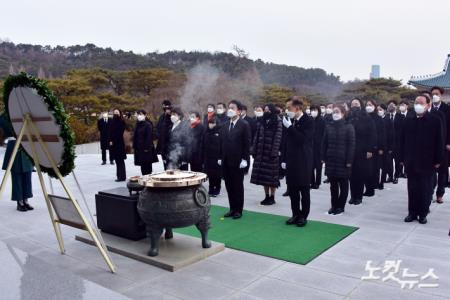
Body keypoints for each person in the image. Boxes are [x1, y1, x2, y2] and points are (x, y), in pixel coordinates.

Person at [400, 94, 444, 224]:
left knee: (425, 189)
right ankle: (412, 212)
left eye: (421, 103)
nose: (418, 105)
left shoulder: (435, 121)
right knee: (412, 188)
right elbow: (402, 140)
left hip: (427, 161)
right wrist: (402, 158)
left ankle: (423, 213)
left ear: (428, 105)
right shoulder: (408, 120)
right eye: (416, 102)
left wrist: (438, 160)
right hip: (411, 161)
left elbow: (439, 142)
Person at [281, 99, 314, 227]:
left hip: (303, 160)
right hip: (291, 159)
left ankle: (303, 216)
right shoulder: (291, 120)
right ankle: (295, 214)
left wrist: (290, 128)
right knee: (293, 189)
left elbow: (303, 139)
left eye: (289, 108)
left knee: (304, 189)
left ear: (298, 108)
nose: (287, 110)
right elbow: (285, 141)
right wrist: (283, 158)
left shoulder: (308, 120)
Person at [218, 100, 251, 219]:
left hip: (238, 161)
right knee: (229, 186)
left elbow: (246, 144)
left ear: (239, 111)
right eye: (229, 107)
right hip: (226, 160)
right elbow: (222, 142)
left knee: (237, 186)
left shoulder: (244, 124)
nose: (230, 110)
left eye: (233, 108)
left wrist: (245, 159)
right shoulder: (225, 124)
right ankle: (232, 208)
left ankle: (238, 210)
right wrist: (220, 157)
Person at [322, 104, 355, 215]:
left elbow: (351, 145)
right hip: (331, 159)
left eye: (337, 112)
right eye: (334, 112)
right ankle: (334, 205)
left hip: (343, 160)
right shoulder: (329, 126)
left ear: (343, 113)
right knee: (333, 186)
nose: (335, 114)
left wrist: (349, 161)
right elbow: (324, 143)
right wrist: (323, 157)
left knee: (344, 185)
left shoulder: (348, 127)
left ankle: (341, 206)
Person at [250, 104, 283, 205]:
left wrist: (274, 152)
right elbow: (257, 136)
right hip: (261, 153)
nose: (266, 111)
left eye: (268, 110)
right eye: (265, 110)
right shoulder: (262, 121)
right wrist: (254, 150)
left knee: (272, 178)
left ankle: (272, 197)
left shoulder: (277, 121)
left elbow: (278, 137)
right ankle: (266, 196)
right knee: (264, 177)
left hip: (271, 154)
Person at [0, 115, 34, 212]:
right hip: (13, 146)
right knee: (17, 177)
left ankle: (26, 200)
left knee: (27, 176)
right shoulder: (3, 117)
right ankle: (20, 202)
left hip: (26, 145)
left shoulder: (24, 112)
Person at [347, 98, 377, 205]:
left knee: (359, 174)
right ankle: (353, 195)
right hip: (350, 150)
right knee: (351, 174)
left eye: (357, 103)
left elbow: (372, 134)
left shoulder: (367, 118)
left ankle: (358, 196)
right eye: (353, 104)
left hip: (362, 149)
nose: (354, 105)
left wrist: (370, 149)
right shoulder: (348, 117)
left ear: (361, 105)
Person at [430, 86, 450, 204]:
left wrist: (448, 143)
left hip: (444, 146)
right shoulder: (428, 108)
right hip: (431, 146)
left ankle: (440, 194)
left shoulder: (447, 109)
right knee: (430, 170)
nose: (434, 96)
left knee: (443, 171)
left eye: (436, 94)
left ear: (441, 95)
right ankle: (430, 191)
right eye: (432, 94)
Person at [364, 99, 385, 197]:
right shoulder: (364, 116)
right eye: (367, 104)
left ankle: (372, 187)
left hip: (375, 147)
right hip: (365, 146)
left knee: (374, 168)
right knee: (367, 169)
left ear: (374, 106)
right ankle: (369, 186)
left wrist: (380, 147)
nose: (368, 106)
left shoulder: (378, 118)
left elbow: (381, 134)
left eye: (370, 104)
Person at [133, 110, 156, 176]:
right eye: (138, 114)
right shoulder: (138, 124)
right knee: (142, 164)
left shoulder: (148, 124)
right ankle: (144, 177)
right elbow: (136, 136)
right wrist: (135, 146)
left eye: (141, 114)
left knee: (147, 165)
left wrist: (146, 147)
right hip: (139, 148)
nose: (139, 116)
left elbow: (149, 137)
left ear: (145, 115)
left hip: (146, 148)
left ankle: (148, 177)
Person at [203, 116, 222, 197]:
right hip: (208, 157)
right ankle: (211, 189)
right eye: (210, 123)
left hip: (217, 157)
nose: (211, 125)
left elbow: (222, 146)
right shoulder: (206, 132)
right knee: (210, 174)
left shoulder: (219, 132)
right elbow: (203, 145)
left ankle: (217, 189)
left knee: (217, 175)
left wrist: (220, 157)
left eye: (213, 123)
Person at [108, 108, 127, 181]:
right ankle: (119, 176)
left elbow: (119, 133)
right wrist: (110, 140)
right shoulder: (112, 121)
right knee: (117, 161)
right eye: (114, 112)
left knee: (120, 160)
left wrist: (113, 140)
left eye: (117, 112)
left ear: (120, 113)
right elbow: (110, 132)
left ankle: (122, 176)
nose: (116, 114)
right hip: (113, 144)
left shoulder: (122, 122)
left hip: (119, 143)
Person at [310, 105, 325, 189]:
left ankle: (317, 182)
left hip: (319, 146)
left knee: (318, 166)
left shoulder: (322, 120)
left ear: (318, 111)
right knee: (310, 166)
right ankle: (311, 181)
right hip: (310, 146)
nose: (313, 111)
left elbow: (324, 134)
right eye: (312, 110)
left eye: (315, 110)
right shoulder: (310, 120)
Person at [379, 103, 394, 189]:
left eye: (381, 109)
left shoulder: (388, 120)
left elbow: (391, 135)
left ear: (384, 110)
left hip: (386, 146)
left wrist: (390, 147)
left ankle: (382, 181)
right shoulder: (376, 119)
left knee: (385, 165)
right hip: (377, 146)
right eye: (378, 109)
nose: (379, 111)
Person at [156, 100, 173, 170]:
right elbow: (158, 127)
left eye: (166, 106)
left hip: (169, 144)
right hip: (162, 143)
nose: (165, 108)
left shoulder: (172, 117)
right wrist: (158, 135)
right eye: (163, 106)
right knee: (164, 161)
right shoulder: (161, 117)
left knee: (170, 162)